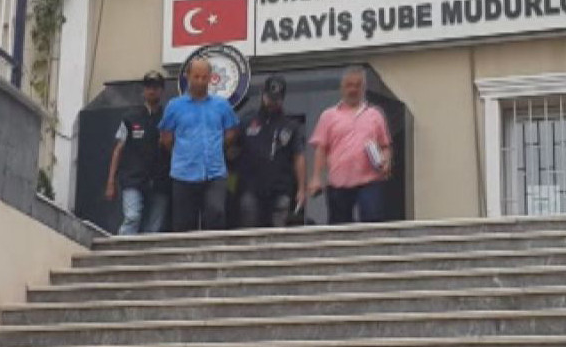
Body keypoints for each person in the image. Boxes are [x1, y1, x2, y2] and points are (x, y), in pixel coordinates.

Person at [159, 57, 239, 232]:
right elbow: (165, 137)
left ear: (210, 78)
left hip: (214, 173)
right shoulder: (174, 106)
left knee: (216, 214)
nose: (200, 81)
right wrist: (181, 153)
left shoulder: (222, 105)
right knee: (184, 224)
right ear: (187, 76)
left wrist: (219, 148)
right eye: (196, 77)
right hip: (183, 174)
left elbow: (231, 131)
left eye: (204, 77)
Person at [307, 67, 392, 224]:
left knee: (373, 221)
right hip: (338, 183)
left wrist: (386, 161)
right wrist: (316, 178)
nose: (353, 89)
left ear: (363, 88)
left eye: (357, 85)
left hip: (369, 181)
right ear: (342, 88)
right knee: (340, 227)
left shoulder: (375, 115)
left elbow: (385, 145)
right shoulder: (328, 116)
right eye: (349, 85)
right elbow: (321, 149)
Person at [104, 71, 171, 235]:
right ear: (143, 90)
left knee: (154, 228)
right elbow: (118, 149)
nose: (152, 91)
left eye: (155, 87)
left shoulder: (169, 117)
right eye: (148, 87)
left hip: (160, 180)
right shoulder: (130, 117)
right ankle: (121, 248)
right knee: (132, 217)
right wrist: (111, 182)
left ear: (162, 91)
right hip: (133, 179)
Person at [234, 76, 306, 228]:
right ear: (263, 94)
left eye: (277, 99)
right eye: (270, 98)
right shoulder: (247, 121)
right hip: (251, 189)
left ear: (283, 99)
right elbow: (233, 151)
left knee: (278, 233)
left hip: (280, 190)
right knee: (250, 231)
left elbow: (298, 157)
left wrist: (301, 189)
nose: (272, 102)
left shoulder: (291, 126)